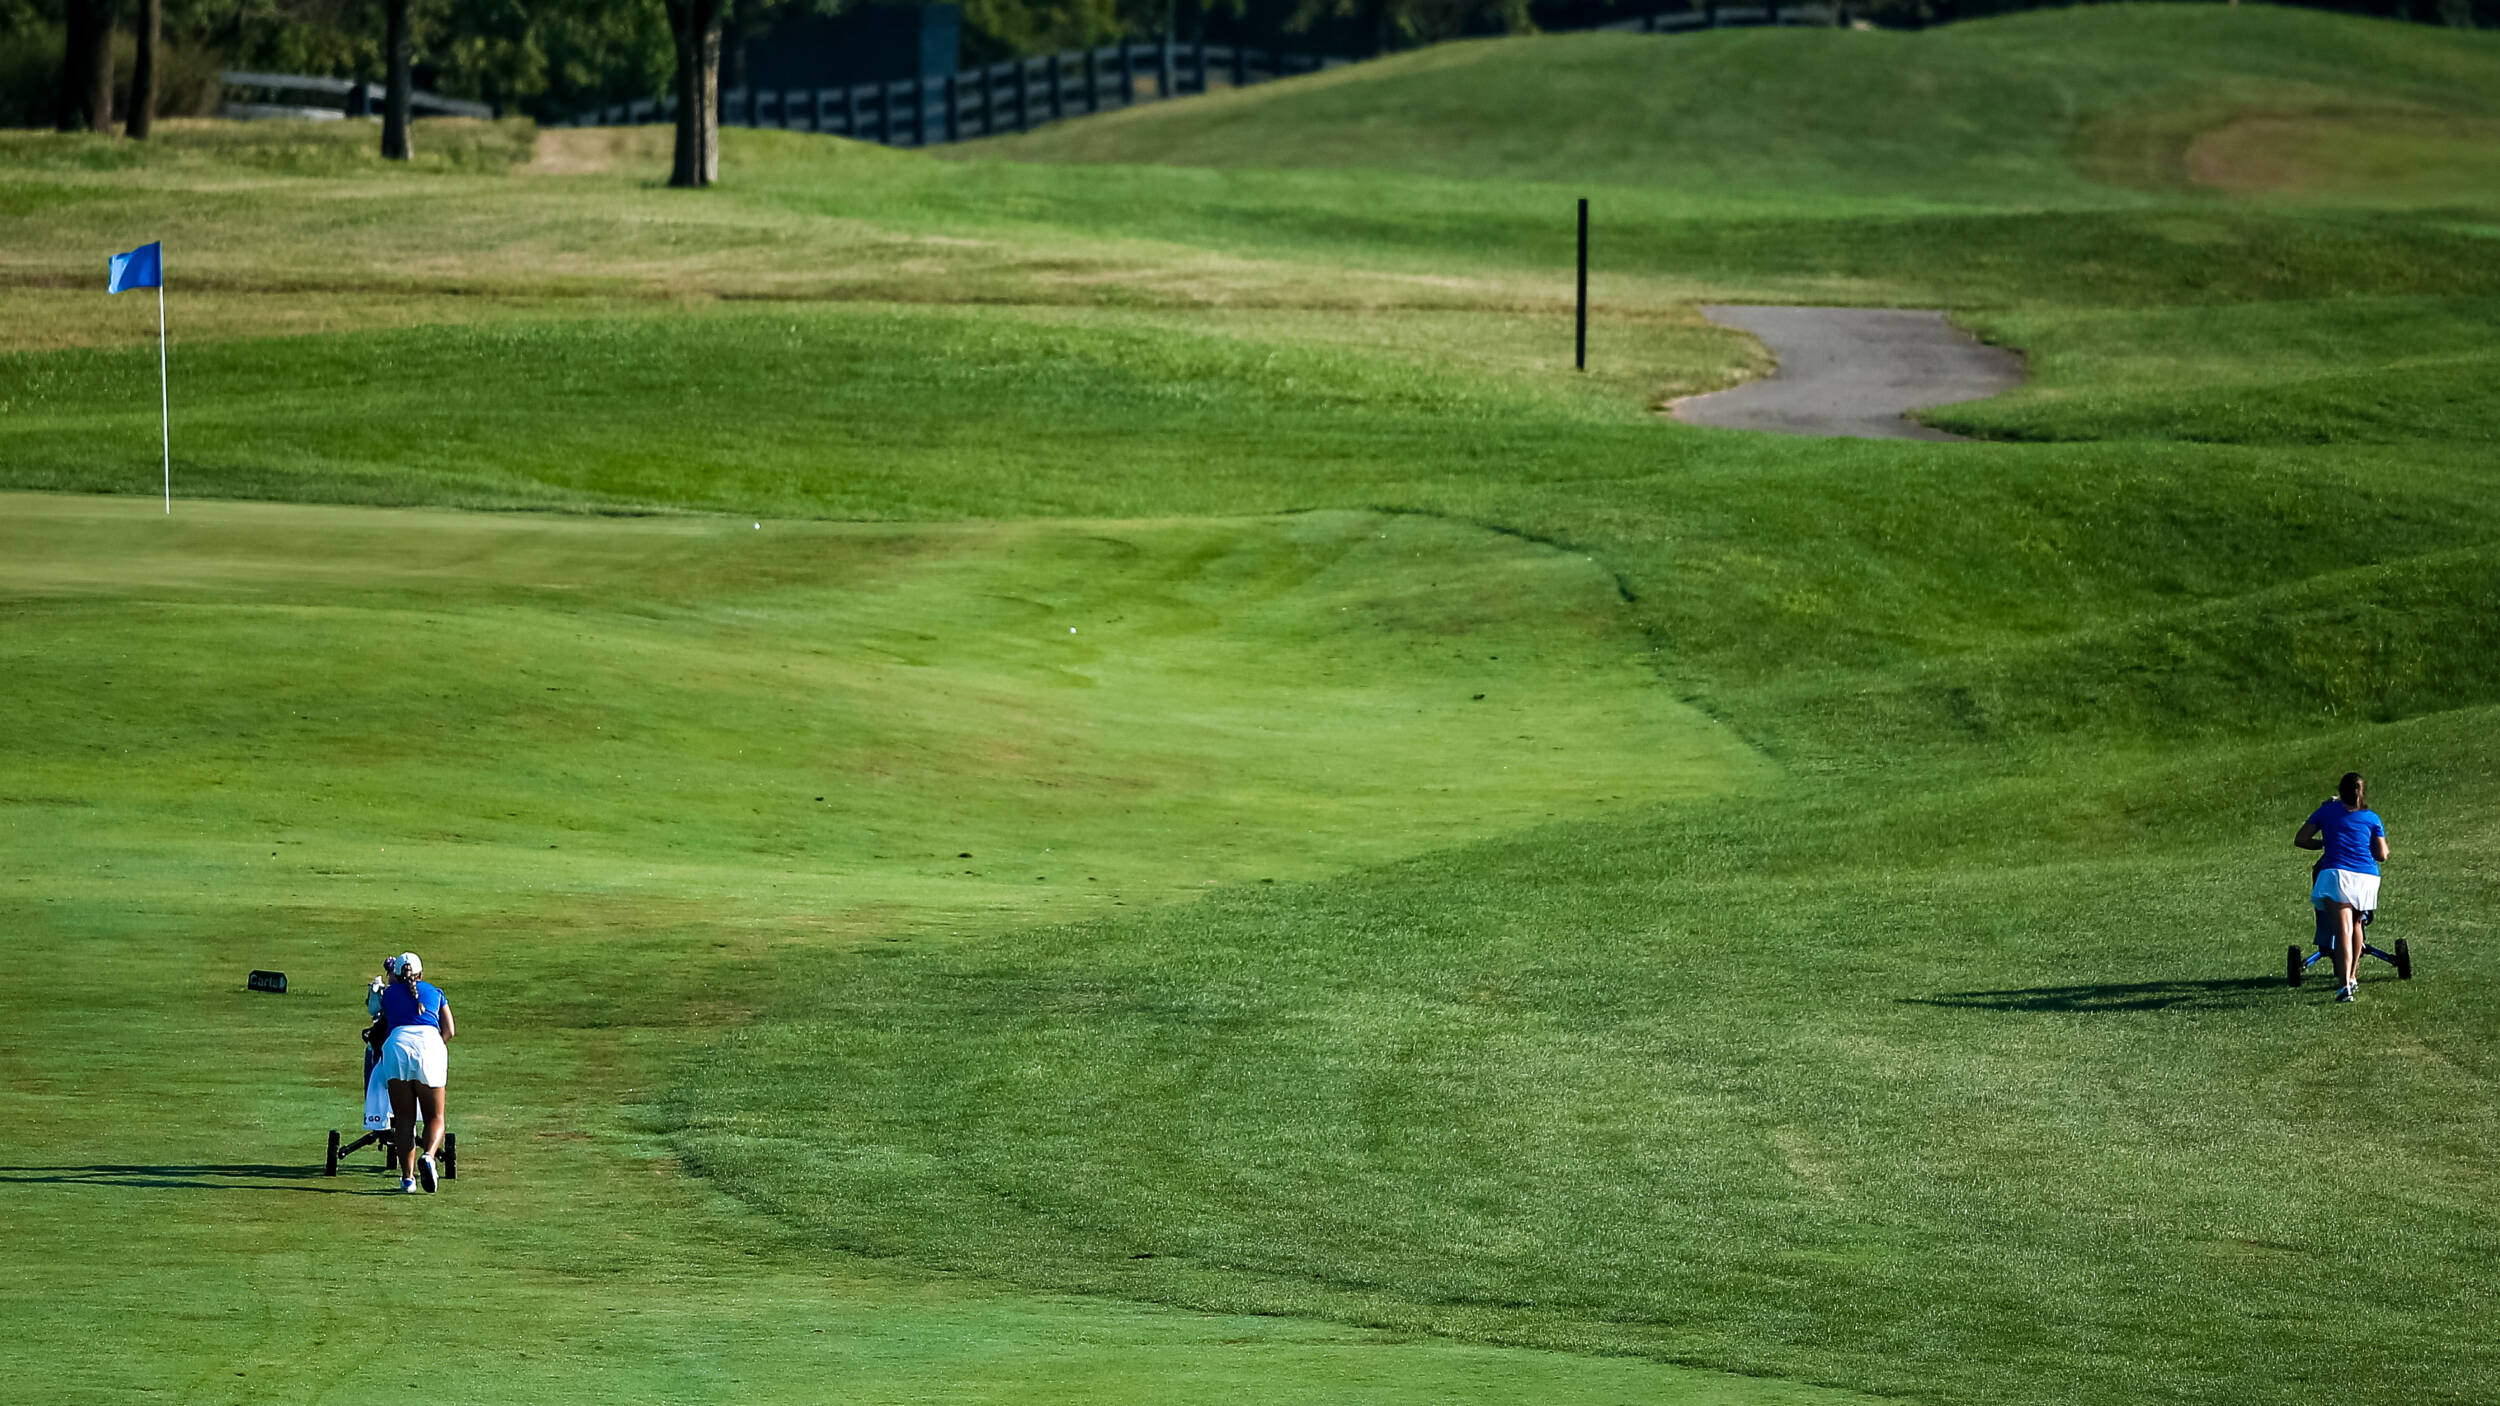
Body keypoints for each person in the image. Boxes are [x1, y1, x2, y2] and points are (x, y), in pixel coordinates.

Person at [2295, 773, 2388, 1003]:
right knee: (2357, 924)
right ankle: (2353, 977)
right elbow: (2382, 854)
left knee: (2343, 928)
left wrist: (2326, 842)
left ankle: (2344, 985)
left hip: (2337, 875)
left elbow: (2301, 839)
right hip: (2366, 878)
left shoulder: (2327, 811)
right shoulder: (2372, 818)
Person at [372, 951, 456, 1192]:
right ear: (421, 974)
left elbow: (381, 1016)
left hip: (397, 1046)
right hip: (430, 1045)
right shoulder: (436, 992)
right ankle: (429, 1156)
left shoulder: (389, 993)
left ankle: (408, 1179)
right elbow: (449, 1030)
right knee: (435, 1117)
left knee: (404, 1119)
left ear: (396, 974)